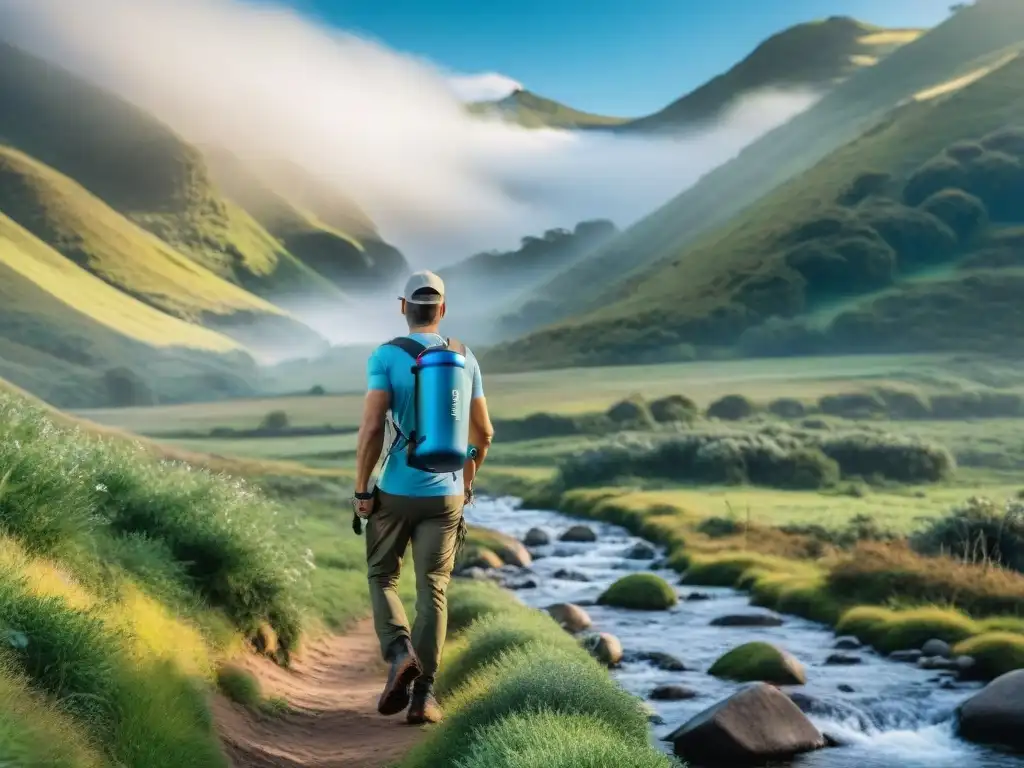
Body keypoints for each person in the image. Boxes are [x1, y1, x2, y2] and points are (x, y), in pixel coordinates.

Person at [352, 270, 494, 726]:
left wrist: (361, 491)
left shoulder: (386, 356)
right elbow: (485, 433)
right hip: (448, 493)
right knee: (433, 588)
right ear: (443, 310)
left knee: (382, 575)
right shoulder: (464, 357)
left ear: (402, 307)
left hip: (396, 489)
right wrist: (467, 478)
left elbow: (373, 427)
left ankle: (399, 652)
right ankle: (424, 698)